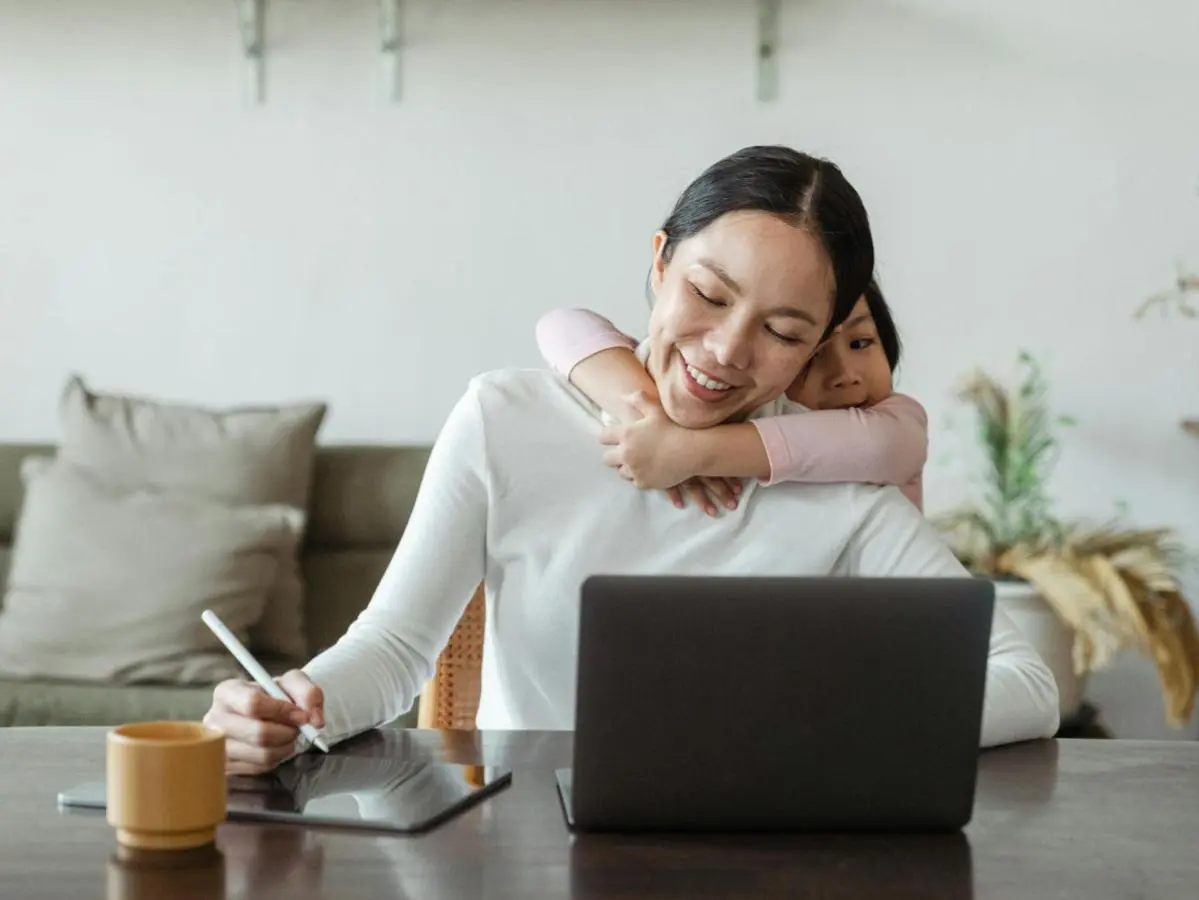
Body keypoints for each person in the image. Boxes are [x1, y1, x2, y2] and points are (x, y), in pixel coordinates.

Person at [204, 145, 1060, 775]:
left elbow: (1026, 682)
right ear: (658, 264)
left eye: (783, 331)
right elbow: (393, 650)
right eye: (708, 295)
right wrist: (288, 704)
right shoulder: (506, 420)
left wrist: (838, 720)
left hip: (761, 859)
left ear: (819, 345)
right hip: (526, 852)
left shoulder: (838, 483)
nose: (725, 351)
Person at [534, 279, 928, 513]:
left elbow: (880, 446)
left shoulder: (896, 424)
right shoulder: (731, 405)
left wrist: (688, 450)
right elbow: (562, 325)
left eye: (862, 342)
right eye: (811, 356)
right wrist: (645, 416)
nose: (845, 376)